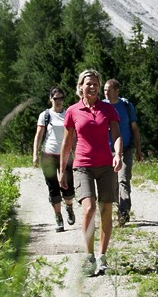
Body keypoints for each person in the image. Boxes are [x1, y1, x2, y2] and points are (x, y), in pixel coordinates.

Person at [60, 69, 124, 276]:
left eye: (96, 83)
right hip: (82, 165)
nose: (93, 86)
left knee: (106, 208)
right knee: (89, 208)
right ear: (80, 86)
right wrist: (62, 170)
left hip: (106, 164)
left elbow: (116, 134)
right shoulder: (72, 111)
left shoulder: (107, 109)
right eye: (89, 83)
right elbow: (67, 142)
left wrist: (118, 154)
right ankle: (89, 257)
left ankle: (102, 257)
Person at [31, 87, 74, 231]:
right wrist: (35, 155)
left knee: (67, 186)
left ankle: (69, 207)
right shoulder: (45, 115)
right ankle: (58, 218)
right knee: (53, 187)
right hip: (48, 154)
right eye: (56, 98)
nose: (59, 101)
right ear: (50, 99)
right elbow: (38, 136)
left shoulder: (68, 113)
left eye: (61, 98)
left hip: (66, 155)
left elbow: (74, 135)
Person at [103, 78, 140, 224]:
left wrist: (139, 149)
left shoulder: (126, 106)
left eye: (108, 90)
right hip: (107, 150)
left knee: (123, 179)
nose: (105, 93)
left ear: (116, 91)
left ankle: (123, 211)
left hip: (125, 149)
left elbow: (135, 129)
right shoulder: (100, 106)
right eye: (104, 90)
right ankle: (120, 208)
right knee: (113, 183)